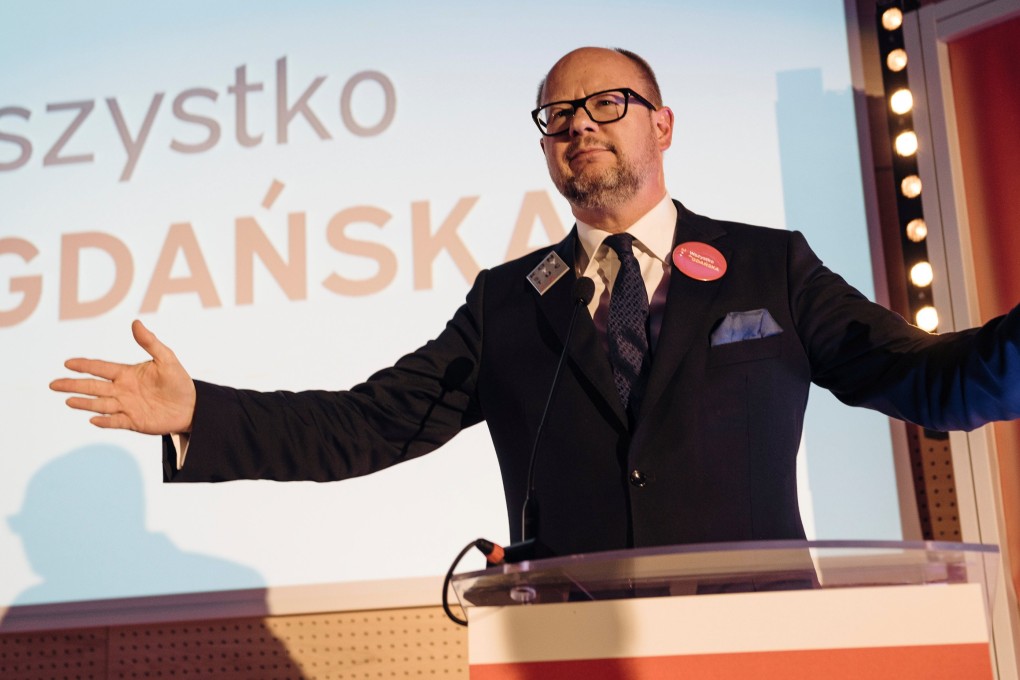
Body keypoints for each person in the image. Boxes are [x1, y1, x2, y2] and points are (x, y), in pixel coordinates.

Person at [51, 47, 1020, 558]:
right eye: (557, 115)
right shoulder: (511, 300)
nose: (579, 126)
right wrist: (200, 413)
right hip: (574, 632)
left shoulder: (770, 265)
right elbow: (369, 424)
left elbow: (929, 383)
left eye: (607, 104)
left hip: (753, 629)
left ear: (663, 121)